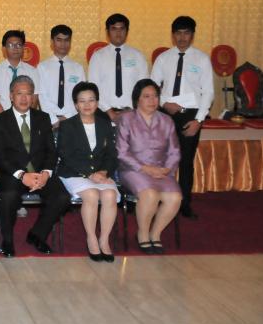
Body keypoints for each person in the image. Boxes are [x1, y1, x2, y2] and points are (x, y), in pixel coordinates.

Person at [0, 76, 69, 257]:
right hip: (12, 173)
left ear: (33, 97)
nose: (24, 98)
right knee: (8, 196)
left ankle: (37, 235)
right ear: (11, 96)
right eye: (19, 93)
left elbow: (51, 151)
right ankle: (7, 240)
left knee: (61, 197)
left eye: (28, 94)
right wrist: (21, 175)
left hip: (40, 172)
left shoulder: (42, 118)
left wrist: (46, 173)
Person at [150, 16, 213, 220]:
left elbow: (208, 92)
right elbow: (152, 88)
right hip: (166, 115)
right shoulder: (163, 58)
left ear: (192, 35)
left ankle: (184, 203)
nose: (182, 37)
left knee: (186, 161)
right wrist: (164, 103)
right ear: (172, 35)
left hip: (190, 116)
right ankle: (158, 200)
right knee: (161, 159)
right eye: (178, 33)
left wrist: (199, 120)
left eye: (186, 33)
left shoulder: (201, 59)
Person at [56, 82, 120, 262]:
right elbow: (65, 154)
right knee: (91, 194)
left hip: (101, 173)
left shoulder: (105, 124)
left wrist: (104, 171)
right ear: (76, 104)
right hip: (74, 173)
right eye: (82, 101)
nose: (87, 104)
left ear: (97, 103)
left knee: (109, 195)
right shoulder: (67, 125)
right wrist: (90, 174)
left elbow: (112, 154)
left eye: (91, 100)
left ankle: (104, 240)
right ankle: (91, 238)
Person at [116, 79, 182, 254]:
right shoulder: (126, 119)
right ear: (137, 99)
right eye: (146, 96)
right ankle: (143, 234)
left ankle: (155, 234)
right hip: (133, 170)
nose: (152, 100)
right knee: (150, 195)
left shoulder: (167, 120)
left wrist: (166, 169)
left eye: (155, 96)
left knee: (175, 198)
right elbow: (122, 152)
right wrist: (145, 169)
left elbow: (174, 151)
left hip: (161, 171)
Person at [88, 14, 149, 121]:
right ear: (107, 32)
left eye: (122, 28)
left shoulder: (138, 56)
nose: (118, 32)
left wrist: (130, 110)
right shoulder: (98, 57)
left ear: (127, 31)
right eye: (114, 29)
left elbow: (144, 87)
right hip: (103, 114)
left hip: (132, 114)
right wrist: (109, 112)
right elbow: (94, 88)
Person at [37, 24, 86, 127]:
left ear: (70, 42)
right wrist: (53, 119)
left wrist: (67, 117)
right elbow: (42, 96)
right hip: (48, 120)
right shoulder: (42, 67)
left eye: (66, 40)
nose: (63, 44)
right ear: (52, 42)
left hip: (72, 119)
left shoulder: (78, 68)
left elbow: (81, 96)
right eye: (59, 40)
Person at [0, 30, 40, 113]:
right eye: (11, 45)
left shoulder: (33, 71)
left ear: (23, 48)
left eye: (19, 45)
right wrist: (6, 120)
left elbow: (34, 100)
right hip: (3, 117)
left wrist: (26, 118)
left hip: (27, 118)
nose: (15, 48)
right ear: (4, 48)